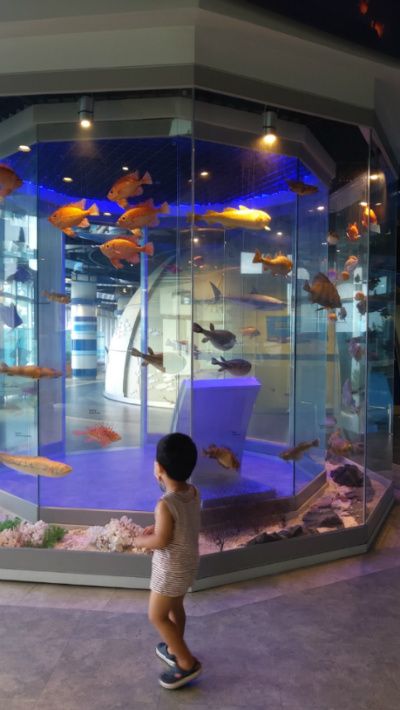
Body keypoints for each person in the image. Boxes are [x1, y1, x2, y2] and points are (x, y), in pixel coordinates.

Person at [134, 432, 202, 690]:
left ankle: (186, 662)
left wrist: (138, 541)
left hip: (169, 570)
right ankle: (175, 646)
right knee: (176, 608)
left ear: (159, 468)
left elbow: (161, 541)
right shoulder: (193, 492)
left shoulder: (165, 504)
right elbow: (181, 523)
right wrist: (160, 527)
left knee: (157, 615)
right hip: (187, 564)